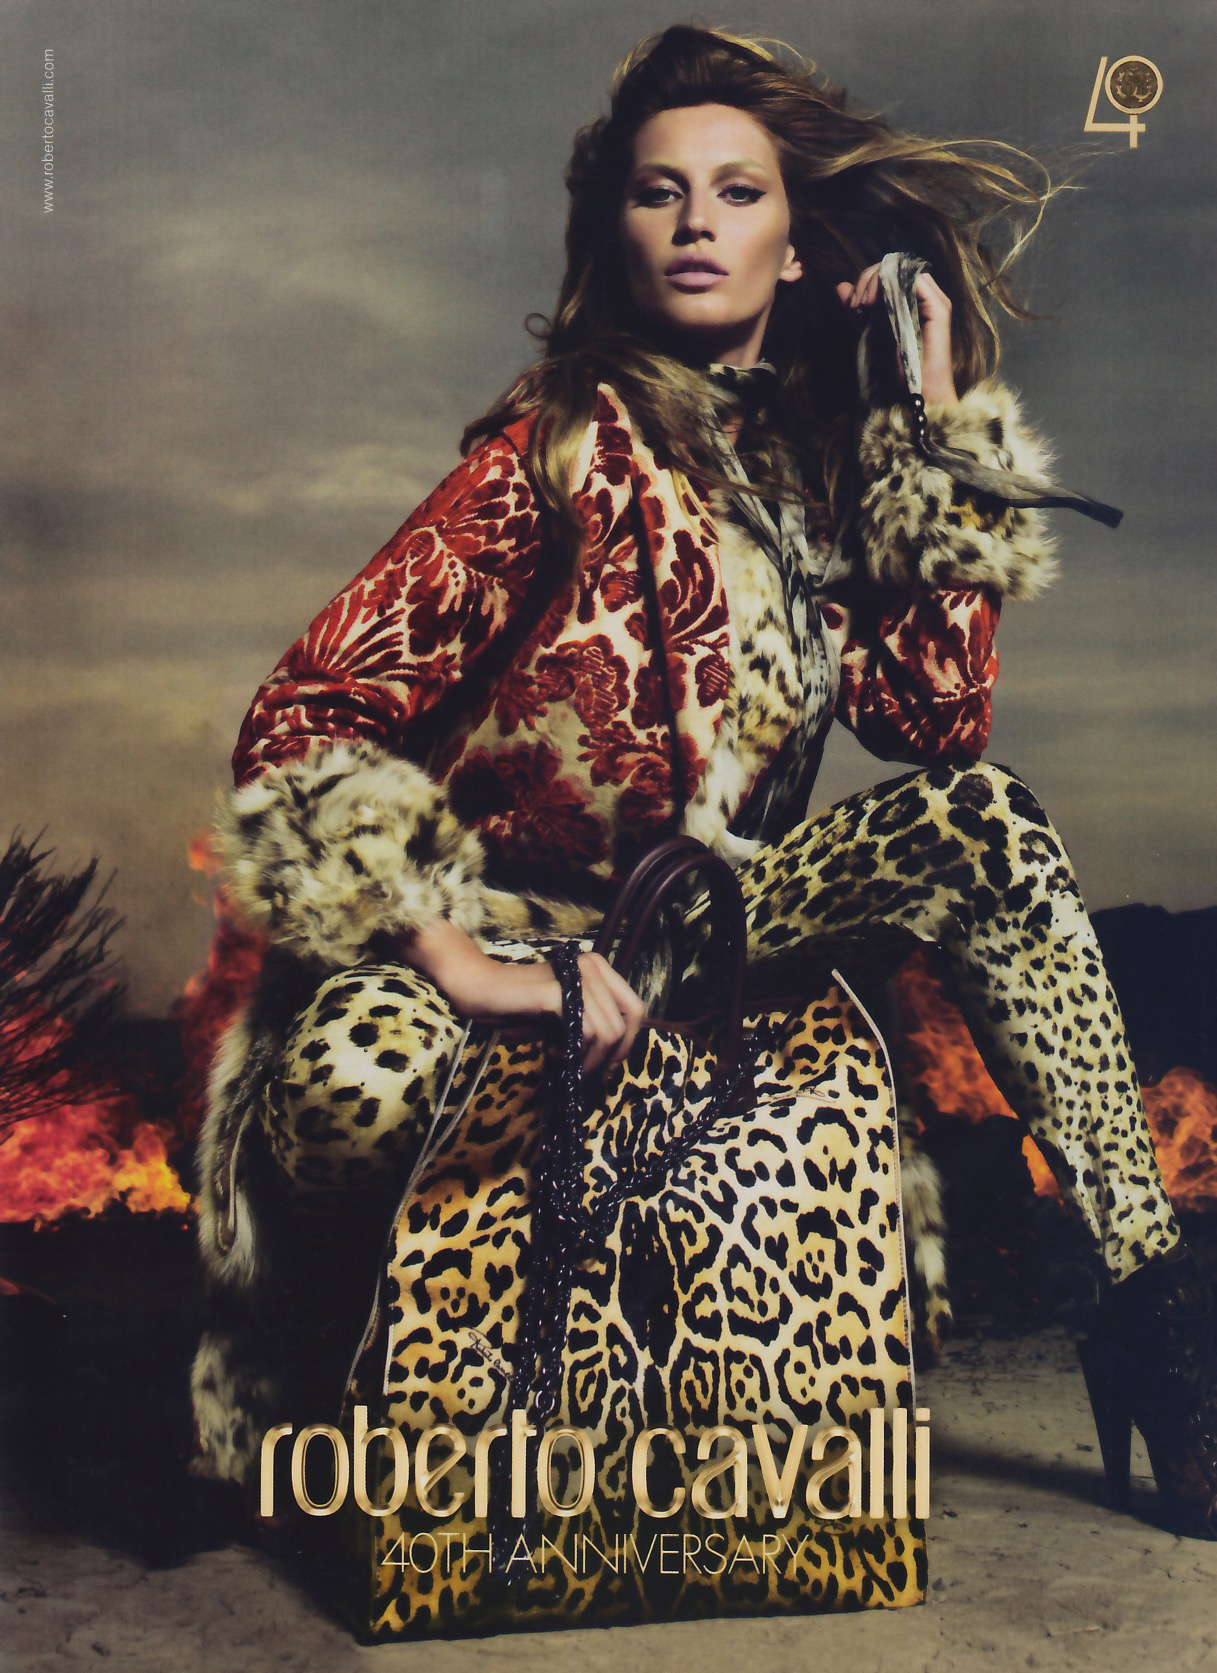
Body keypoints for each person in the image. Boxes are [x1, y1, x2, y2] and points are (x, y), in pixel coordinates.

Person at [191, 25, 1217, 1538]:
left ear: (794, 248)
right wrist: (461, 961)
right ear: (615, 232)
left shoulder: (816, 473)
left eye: (736, 192)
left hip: (718, 923)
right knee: (355, 1085)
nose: (693, 222)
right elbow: (304, 713)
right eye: (657, 191)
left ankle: (1152, 1322)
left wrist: (929, 431)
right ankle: (328, 1355)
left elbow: (936, 721)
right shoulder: (552, 446)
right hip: (515, 924)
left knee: (983, 823)